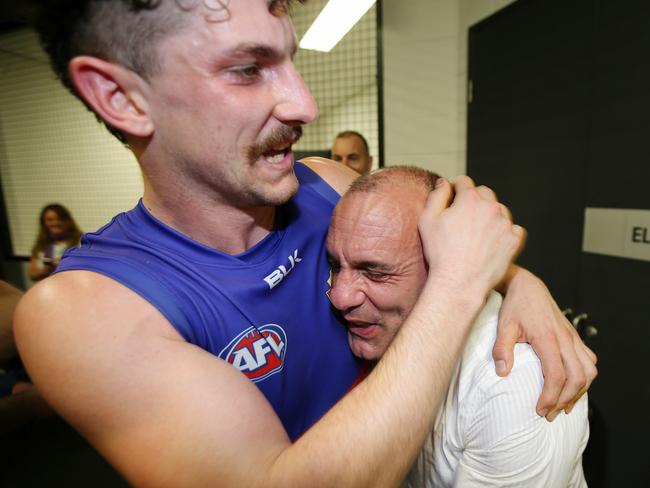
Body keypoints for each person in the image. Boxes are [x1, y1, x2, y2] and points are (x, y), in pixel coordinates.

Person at [15, 1, 595, 486]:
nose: (303, 105)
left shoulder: (327, 185)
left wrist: (518, 282)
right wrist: (465, 285)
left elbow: (446, 242)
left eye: (288, 58)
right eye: (247, 68)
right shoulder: (84, 312)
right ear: (122, 98)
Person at [327, 166, 589, 487]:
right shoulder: (376, 326)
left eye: (376, 272)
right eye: (334, 265)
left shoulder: (511, 382)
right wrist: (519, 278)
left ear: (446, 265)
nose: (339, 298)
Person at [29, 204, 82, 281]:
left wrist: (62, 266)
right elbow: (32, 275)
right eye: (50, 220)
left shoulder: (81, 243)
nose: (55, 223)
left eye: (60, 219)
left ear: (68, 221)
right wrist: (45, 270)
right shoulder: (40, 246)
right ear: (44, 223)